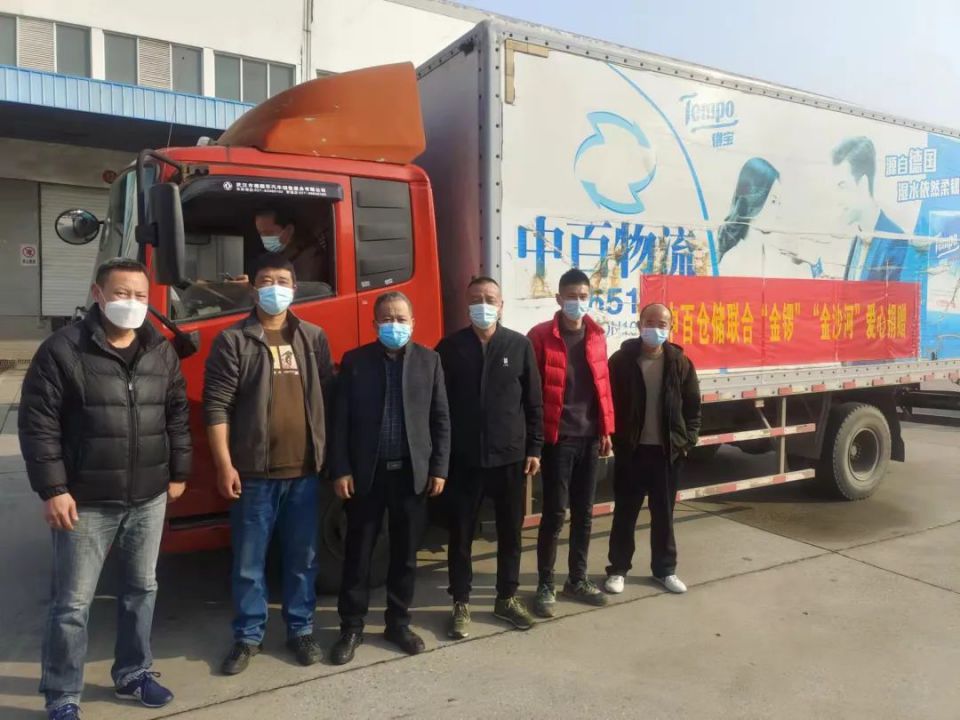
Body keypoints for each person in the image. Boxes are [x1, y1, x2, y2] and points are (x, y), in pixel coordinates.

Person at [19, 258, 192, 720]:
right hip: (86, 502)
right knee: (72, 605)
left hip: (148, 497)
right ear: (97, 294)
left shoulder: (160, 350)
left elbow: (176, 413)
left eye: (140, 295)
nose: (131, 303)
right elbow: (38, 424)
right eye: (121, 293)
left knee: (142, 589)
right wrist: (53, 489)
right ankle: (62, 695)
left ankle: (134, 671)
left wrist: (179, 471)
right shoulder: (63, 350)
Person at [203, 252, 334, 675]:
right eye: (265, 280)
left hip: (305, 473)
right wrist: (224, 465)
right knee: (249, 563)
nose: (274, 288)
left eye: (282, 280)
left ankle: (301, 629)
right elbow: (217, 406)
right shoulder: (233, 340)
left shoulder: (312, 337)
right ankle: (248, 636)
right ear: (253, 287)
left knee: (303, 559)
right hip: (254, 475)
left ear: (294, 288)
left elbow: (328, 398)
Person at [328, 291, 451, 665]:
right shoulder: (356, 362)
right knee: (358, 554)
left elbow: (441, 418)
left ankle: (398, 623)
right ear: (374, 323)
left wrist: (439, 468)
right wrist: (340, 468)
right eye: (386, 318)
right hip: (367, 475)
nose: (393, 325)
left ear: (413, 323)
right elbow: (339, 422)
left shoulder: (429, 361)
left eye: (400, 318)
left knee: (405, 556)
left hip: (411, 475)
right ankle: (351, 627)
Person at [437, 276, 544, 638]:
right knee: (461, 535)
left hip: (509, 457)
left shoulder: (519, 345)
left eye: (490, 299)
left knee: (510, 533)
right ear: (466, 305)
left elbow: (533, 402)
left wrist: (534, 448)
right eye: (476, 299)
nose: (483, 305)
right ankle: (460, 602)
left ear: (501, 305)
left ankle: (506, 598)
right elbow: (438, 406)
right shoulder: (450, 348)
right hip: (463, 460)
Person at [526, 269, 615, 617]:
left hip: (589, 438)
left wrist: (606, 429)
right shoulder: (540, 336)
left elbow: (602, 386)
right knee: (554, 513)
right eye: (571, 296)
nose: (577, 302)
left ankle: (577, 578)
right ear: (558, 298)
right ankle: (545, 583)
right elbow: (532, 392)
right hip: (558, 439)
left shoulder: (596, 335)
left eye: (583, 296)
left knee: (585, 513)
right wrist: (534, 441)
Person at [604, 303, 701, 597]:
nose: (655, 329)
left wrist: (687, 441)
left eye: (662, 324)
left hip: (666, 454)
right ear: (639, 325)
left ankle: (665, 570)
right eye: (649, 322)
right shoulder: (621, 361)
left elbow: (693, 406)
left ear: (670, 328)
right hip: (631, 453)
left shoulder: (679, 363)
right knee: (625, 514)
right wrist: (614, 439)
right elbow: (608, 402)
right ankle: (618, 569)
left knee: (664, 516)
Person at [832, 136, 914, 282]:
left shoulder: (896, 241)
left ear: (863, 184)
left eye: (842, 186)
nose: (837, 200)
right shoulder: (858, 237)